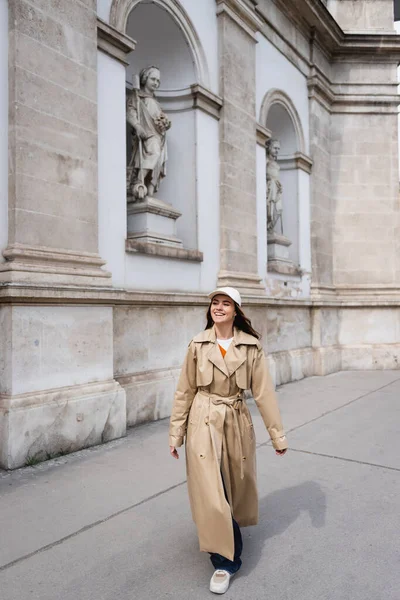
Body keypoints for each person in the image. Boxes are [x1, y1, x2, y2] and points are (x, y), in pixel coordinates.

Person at [169, 287, 288, 594]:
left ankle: (228, 534)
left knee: (232, 485)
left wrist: (277, 435)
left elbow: (264, 393)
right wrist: (176, 433)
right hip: (202, 420)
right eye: (215, 302)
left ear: (236, 311)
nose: (219, 307)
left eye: (226, 303)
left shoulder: (251, 347)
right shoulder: (197, 344)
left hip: (235, 419)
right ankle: (225, 561)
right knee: (210, 490)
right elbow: (185, 391)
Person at [126, 66, 171, 199]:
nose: (156, 83)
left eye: (158, 80)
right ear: (145, 79)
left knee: (158, 162)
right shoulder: (137, 96)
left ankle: (150, 191)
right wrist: (137, 126)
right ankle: (139, 180)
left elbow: (160, 118)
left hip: (159, 136)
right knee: (154, 153)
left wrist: (166, 124)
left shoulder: (156, 102)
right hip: (146, 134)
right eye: (153, 79)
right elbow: (130, 113)